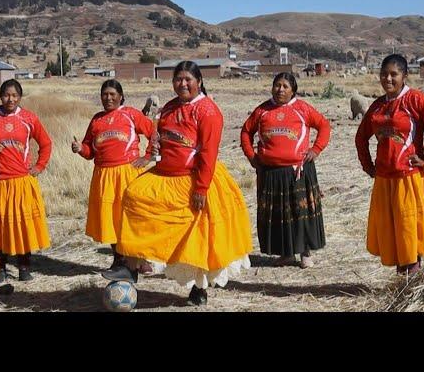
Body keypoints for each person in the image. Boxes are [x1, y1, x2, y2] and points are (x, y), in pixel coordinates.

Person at [103, 61, 252, 306]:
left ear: (199, 81)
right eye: (178, 79)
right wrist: (154, 152)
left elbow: (208, 153)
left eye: (187, 79)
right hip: (164, 175)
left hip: (194, 179)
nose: (182, 84)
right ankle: (130, 266)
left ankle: (199, 289)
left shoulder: (208, 111)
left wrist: (201, 188)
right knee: (132, 196)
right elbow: (157, 136)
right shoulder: (170, 107)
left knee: (195, 236)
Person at [355, 54, 424, 275]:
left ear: (405, 76)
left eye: (393, 74)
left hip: (408, 176)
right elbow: (361, 137)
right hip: (384, 179)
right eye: (384, 74)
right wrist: (368, 166)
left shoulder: (415, 100)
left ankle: (412, 279)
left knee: (409, 228)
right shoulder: (377, 106)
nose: (388, 79)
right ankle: (401, 278)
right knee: (393, 229)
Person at [241, 72, 331, 268]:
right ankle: (286, 253)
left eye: (285, 86)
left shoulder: (302, 109)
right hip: (270, 172)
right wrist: (251, 156)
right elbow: (246, 131)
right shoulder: (262, 111)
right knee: (279, 215)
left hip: (297, 170)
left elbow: (324, 126)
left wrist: (315, 150)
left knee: (300, 212)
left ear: (293, 90)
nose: (280, 89)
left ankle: (305, 253)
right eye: (277, 85)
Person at [0, 79, 52, 282]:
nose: (10, 99)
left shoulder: (28, 119)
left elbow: (46, 143)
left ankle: (24, 267)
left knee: (22, 226)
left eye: (15, 95)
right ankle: (0, 268)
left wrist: (39, 167)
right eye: (6, 95)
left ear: (20, 97)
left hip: (21, 182)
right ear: (0, 96)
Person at [71, 79, 155, 269]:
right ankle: (119, 259)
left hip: (128, 172)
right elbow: (89, 151)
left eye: (112, 94)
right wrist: (79, 149)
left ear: (121, 96)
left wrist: (147, 157)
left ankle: (141, 258)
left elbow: (154, 132)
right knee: (111, 218)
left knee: (132, 216)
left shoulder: (131, 114)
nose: (108, 98)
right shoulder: (97, 120)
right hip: (104, 175)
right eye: (105, 95)